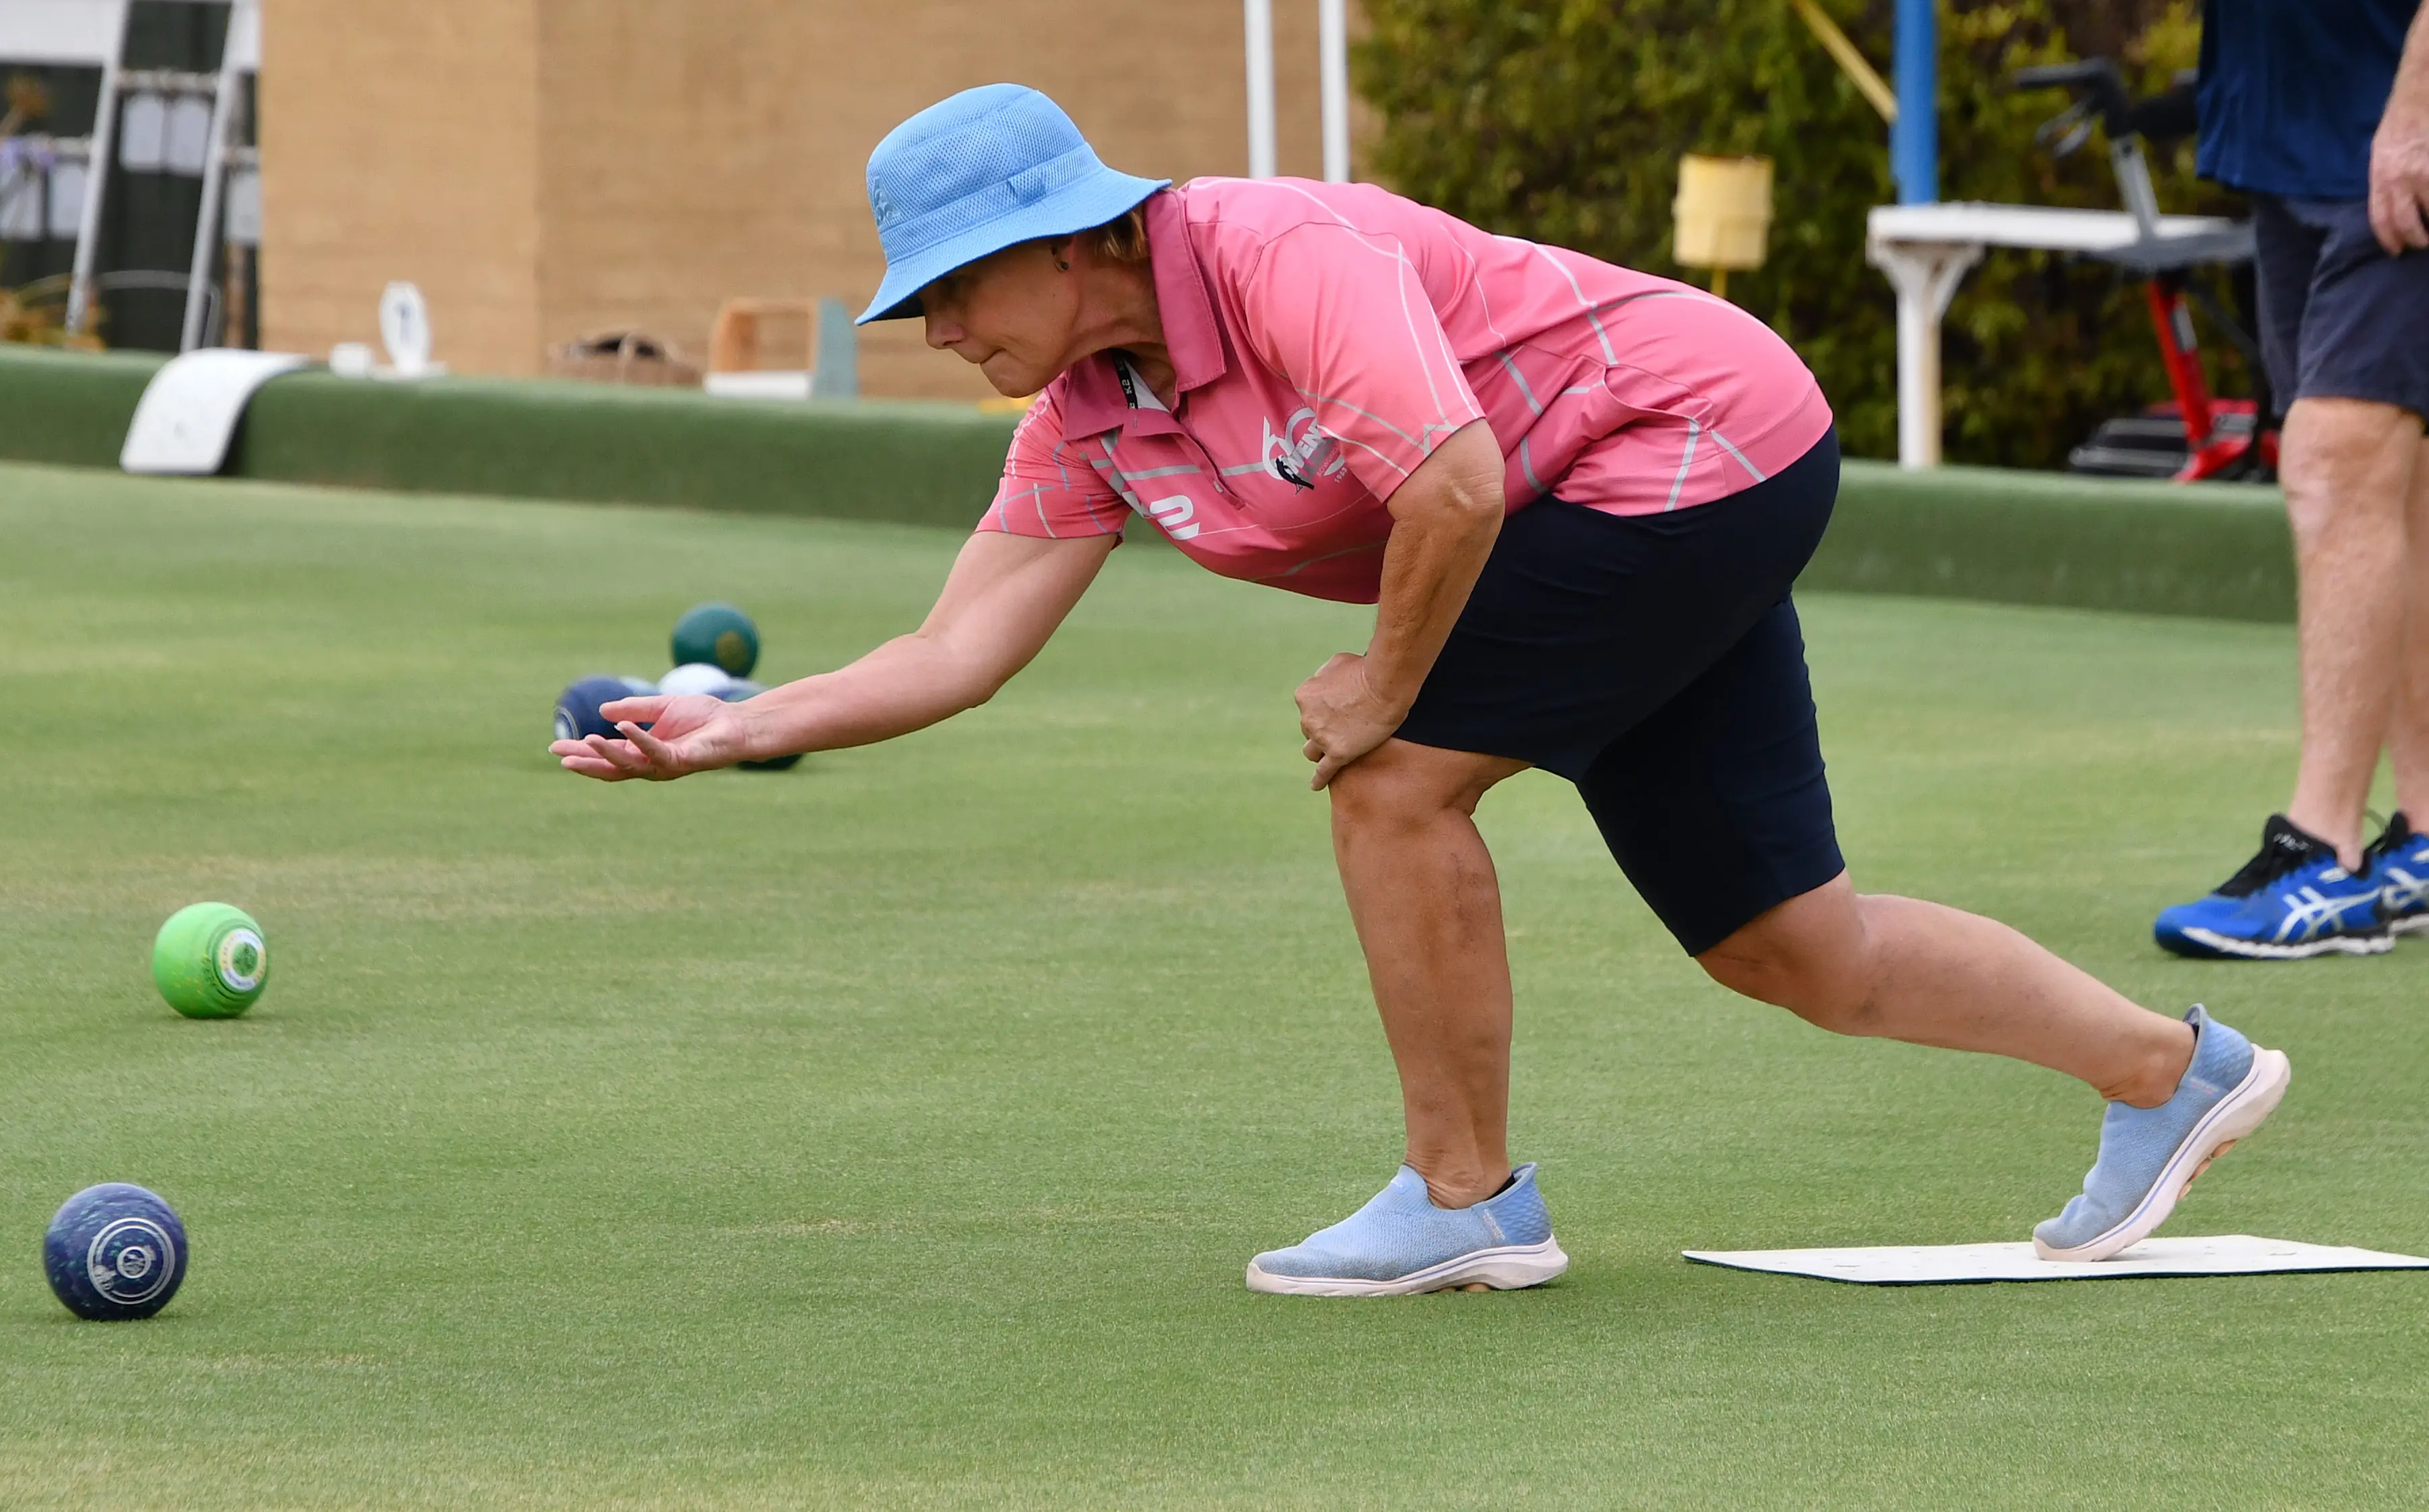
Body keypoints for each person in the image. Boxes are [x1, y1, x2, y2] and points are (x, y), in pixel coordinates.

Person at [559, 85, 2291, 1294]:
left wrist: (1387, 687)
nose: (933, 326)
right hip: (1615, 512)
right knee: (1790, 945)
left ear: (1070, 239)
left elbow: (1453, 478)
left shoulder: (1273, 254)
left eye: (951, 287)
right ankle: (2170, 1071)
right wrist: (734, 726)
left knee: (1391, 784)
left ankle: (1468, 1200)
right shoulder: (1091, 409)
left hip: (1690, 448)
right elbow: (959, 647)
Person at [2158, 0, 2429, 957]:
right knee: (2390, 489)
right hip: (2301, 137)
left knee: (2336, 463)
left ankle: (2324, 854)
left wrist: (2419, 108)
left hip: (2400, 133)